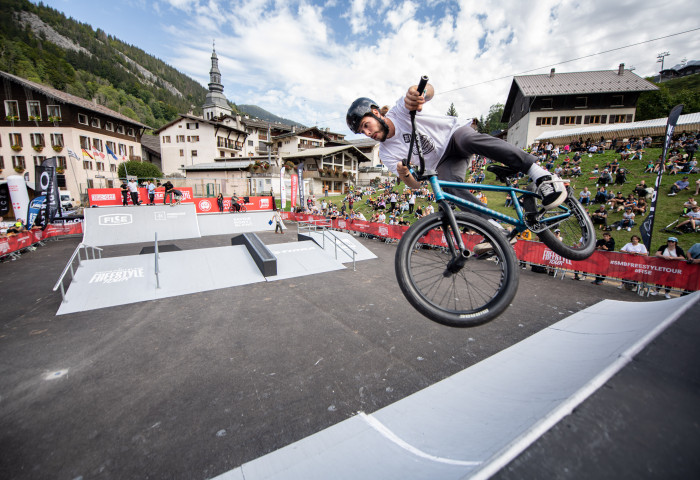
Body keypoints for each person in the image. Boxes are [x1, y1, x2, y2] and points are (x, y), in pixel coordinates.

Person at [345, 82, 567, 218]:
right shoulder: (385, 153)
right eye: (362, 133)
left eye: (366, 125)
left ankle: (541, 174)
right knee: (448, 187)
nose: (368, 133)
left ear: (376, 113)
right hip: (443, 163)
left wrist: (418, 93)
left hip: (453, 136)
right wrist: (404, 175)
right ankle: (493, 228)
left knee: (468, 139)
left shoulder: (399, 111)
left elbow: (426, 91)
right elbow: (416, 184)